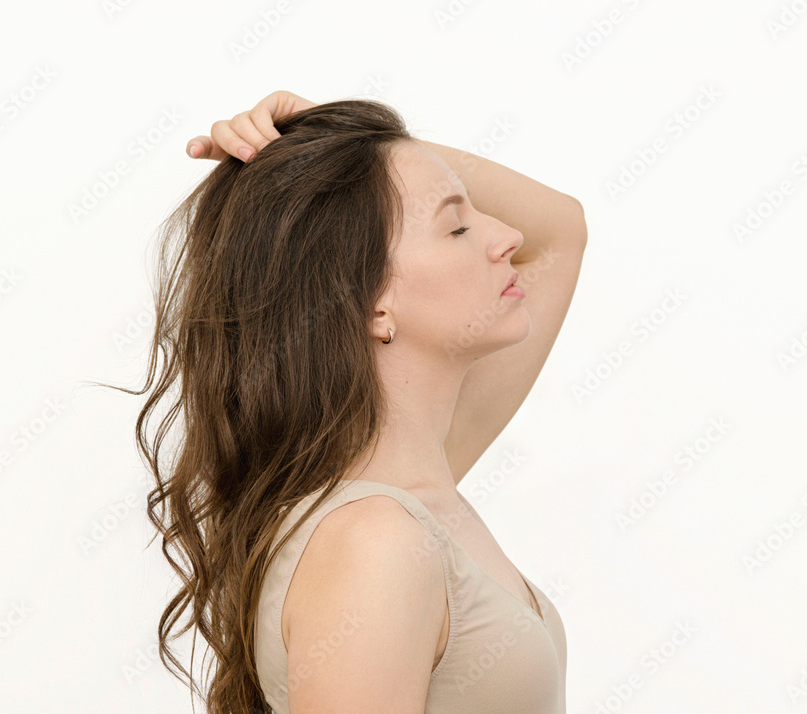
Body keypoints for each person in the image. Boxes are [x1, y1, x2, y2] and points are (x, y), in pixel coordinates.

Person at [135, 90, 586, 713]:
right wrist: (349, 156)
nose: (507, 236)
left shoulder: (412, 486)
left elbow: (561, 230)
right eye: (457, 226)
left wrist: (339, 145)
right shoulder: (375, 542)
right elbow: (556, 234)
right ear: (371, 302)